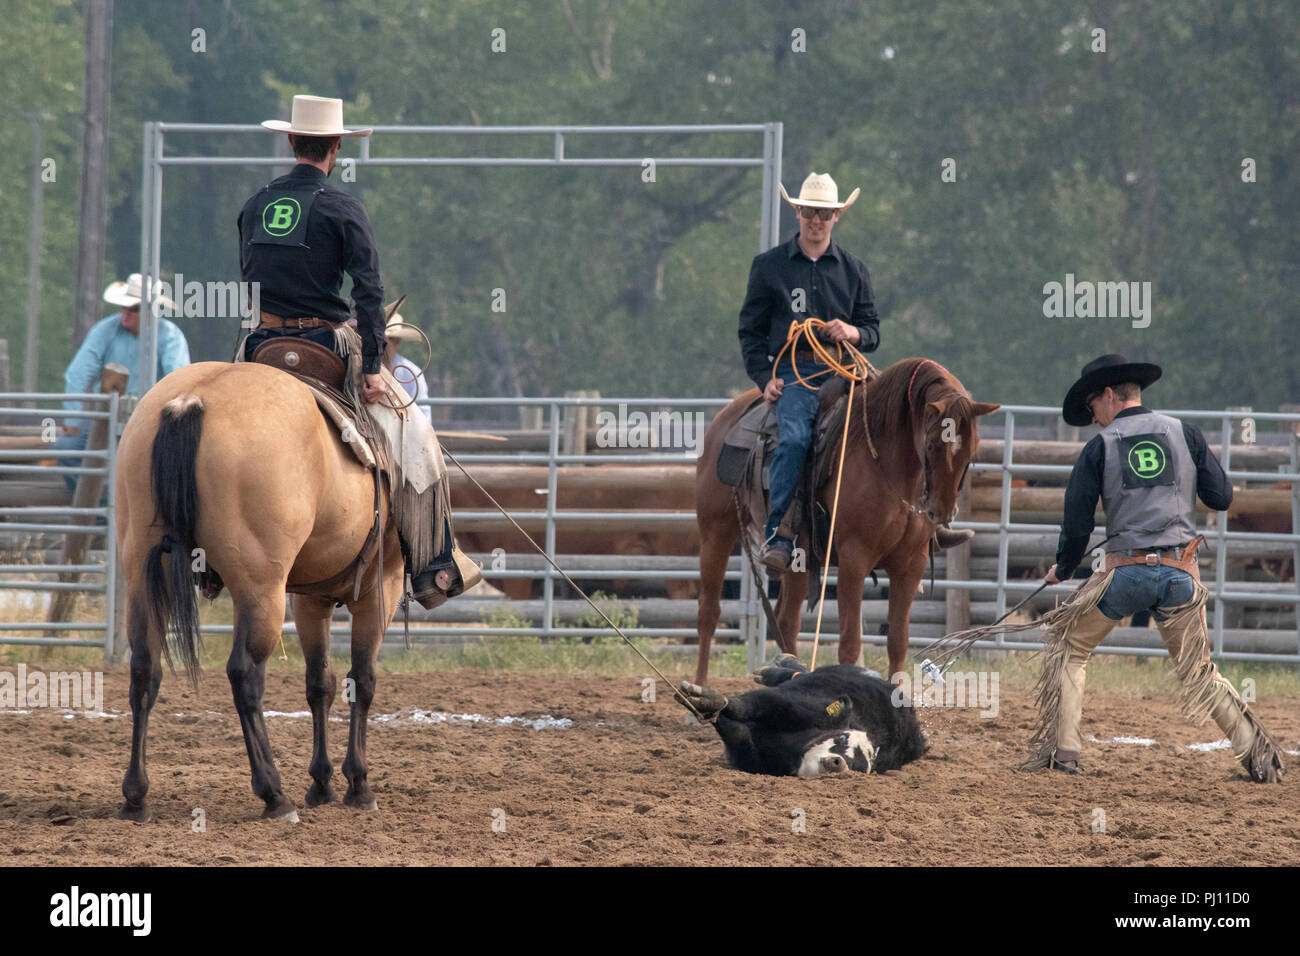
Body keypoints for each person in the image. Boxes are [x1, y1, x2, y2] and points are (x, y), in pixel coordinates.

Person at [242, 94, 478, 608]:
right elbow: (369, 293)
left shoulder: (256, 203)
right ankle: (435, 566)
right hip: (324, 343)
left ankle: (208, 562)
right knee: (415, 430)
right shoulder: (341, 208)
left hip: (261, 342)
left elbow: (249, 273)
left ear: (290, 140)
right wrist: (372, 367)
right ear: (335, 148)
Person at [1032, 354, 1283, 782]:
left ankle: (1066, 755)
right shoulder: (1185, 433)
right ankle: (1259, 758)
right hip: (1180, 576)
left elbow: (1076, 523)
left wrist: (1064, 568)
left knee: (1070, 648)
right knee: (1199, 672)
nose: (1093, 419)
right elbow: (1222, 497)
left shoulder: (1100, 447)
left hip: (1125, 575)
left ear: (1110, 395)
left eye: (1092, 407)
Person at [738, 172, 880, 571]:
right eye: (809, 212)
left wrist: (851, 330)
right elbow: (750, 332)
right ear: (797, 212)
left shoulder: (854, 270)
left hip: (846, 368)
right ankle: (779, 530)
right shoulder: (768, 268)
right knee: (795, 438)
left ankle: (920, 525)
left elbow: (872, 331)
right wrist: (765, 380)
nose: (816, 220)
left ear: (837, 217)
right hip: (796, 371)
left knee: (892, 427)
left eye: (825, 214)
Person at [59, 274, 190, 489]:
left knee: (169, 466)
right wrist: (73, 419)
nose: (125, 313)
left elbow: (179, 380)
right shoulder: (105, 329)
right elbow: (78, 374)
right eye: (123, 307)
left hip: (150, 422)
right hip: (106, 420)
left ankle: (138, 513)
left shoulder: (169, 336)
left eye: (134, 308)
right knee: (66, 449)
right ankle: (100, 509)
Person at [382, 309, 432, 422]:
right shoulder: (359, 367)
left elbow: (423, 415)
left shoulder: (411, 373)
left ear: (396, 341)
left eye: (384, 340)